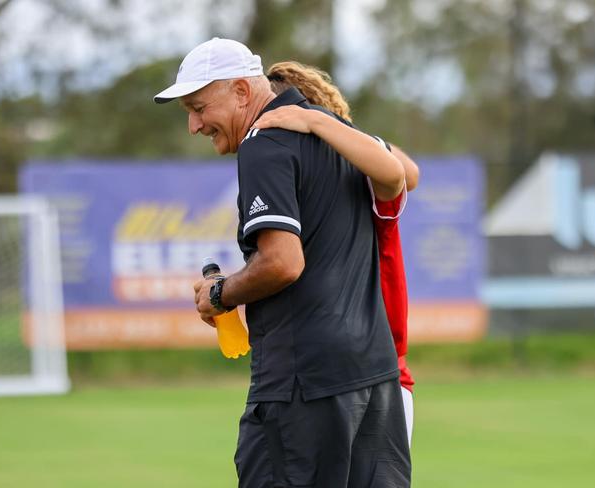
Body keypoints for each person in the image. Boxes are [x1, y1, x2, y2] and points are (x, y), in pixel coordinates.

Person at [154, 38, 410, 487]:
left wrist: (220, 293)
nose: (194, 125)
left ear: (240, 91)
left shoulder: (265, 141)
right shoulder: (330, 127)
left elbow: (283, 263)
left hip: (303, 383)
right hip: (376, 379)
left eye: (198, 107)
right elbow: (403, 173)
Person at [255, 61, 418, 447]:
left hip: (381, 373)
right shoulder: (299, 186)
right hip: (326, 373)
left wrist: (319, 123)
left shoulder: (364, 178)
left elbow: (404, 172)